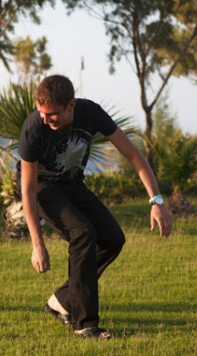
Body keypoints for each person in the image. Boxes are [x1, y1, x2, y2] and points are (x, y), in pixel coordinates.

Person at [18, 74, 172, 339]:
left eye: (52, 114)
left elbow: (133, 155)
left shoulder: (91, 113)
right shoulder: (34, 128)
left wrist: (156, 201)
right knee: (83, 233)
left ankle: (62, 300)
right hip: (42, 188)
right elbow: (28, 190)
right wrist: (37, 244)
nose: (45, 119)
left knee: (112, 238)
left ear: (71, 105)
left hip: (72, 183)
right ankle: (85, 324)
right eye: (41, 113)